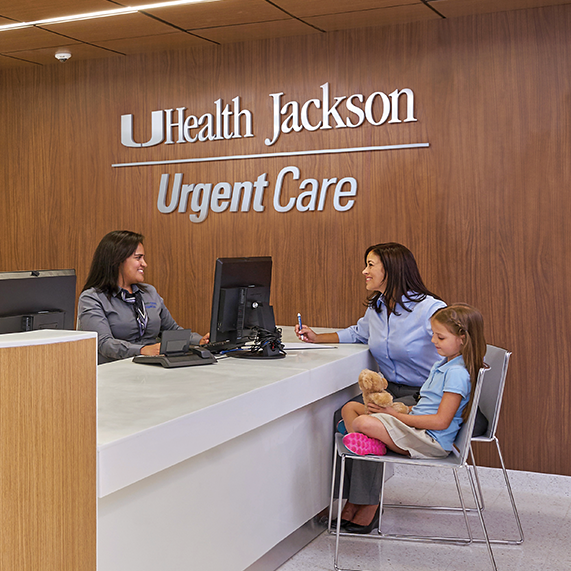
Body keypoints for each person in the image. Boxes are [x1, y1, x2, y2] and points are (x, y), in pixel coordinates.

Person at [296, 242, 446, 533]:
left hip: (423, 394)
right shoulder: (378, 307)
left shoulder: (430, 309)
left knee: (367, 424)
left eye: (370, 265)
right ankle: (351, 499)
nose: (364, 271)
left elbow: (454, 351)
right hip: (390, 392)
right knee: (342, 417)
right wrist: (316, 337)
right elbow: (357, 333)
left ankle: (368, 506)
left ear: (390, 270)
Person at [342, 303, 486, 463]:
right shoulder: (442, 364)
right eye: (433, 334)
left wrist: (395, 416)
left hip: (429, 440)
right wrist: (397, 410)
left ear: (462, 340)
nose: (433, 340)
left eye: (441, 337)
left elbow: (441, 421)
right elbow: (427, 404)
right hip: (417, 426)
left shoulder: (456, 373)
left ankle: (370, 439)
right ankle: (366, 438)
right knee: (350, 408)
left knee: (362, 422)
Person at [78, 230, 208, 364]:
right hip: (115, 371)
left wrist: (199, 340)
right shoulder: (92, 298)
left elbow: (172, 330)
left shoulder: (149, 293)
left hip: (152, 367)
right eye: (138, 258)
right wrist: (142, 350)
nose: (144, 264)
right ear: (118, 261)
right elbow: (104, 344)